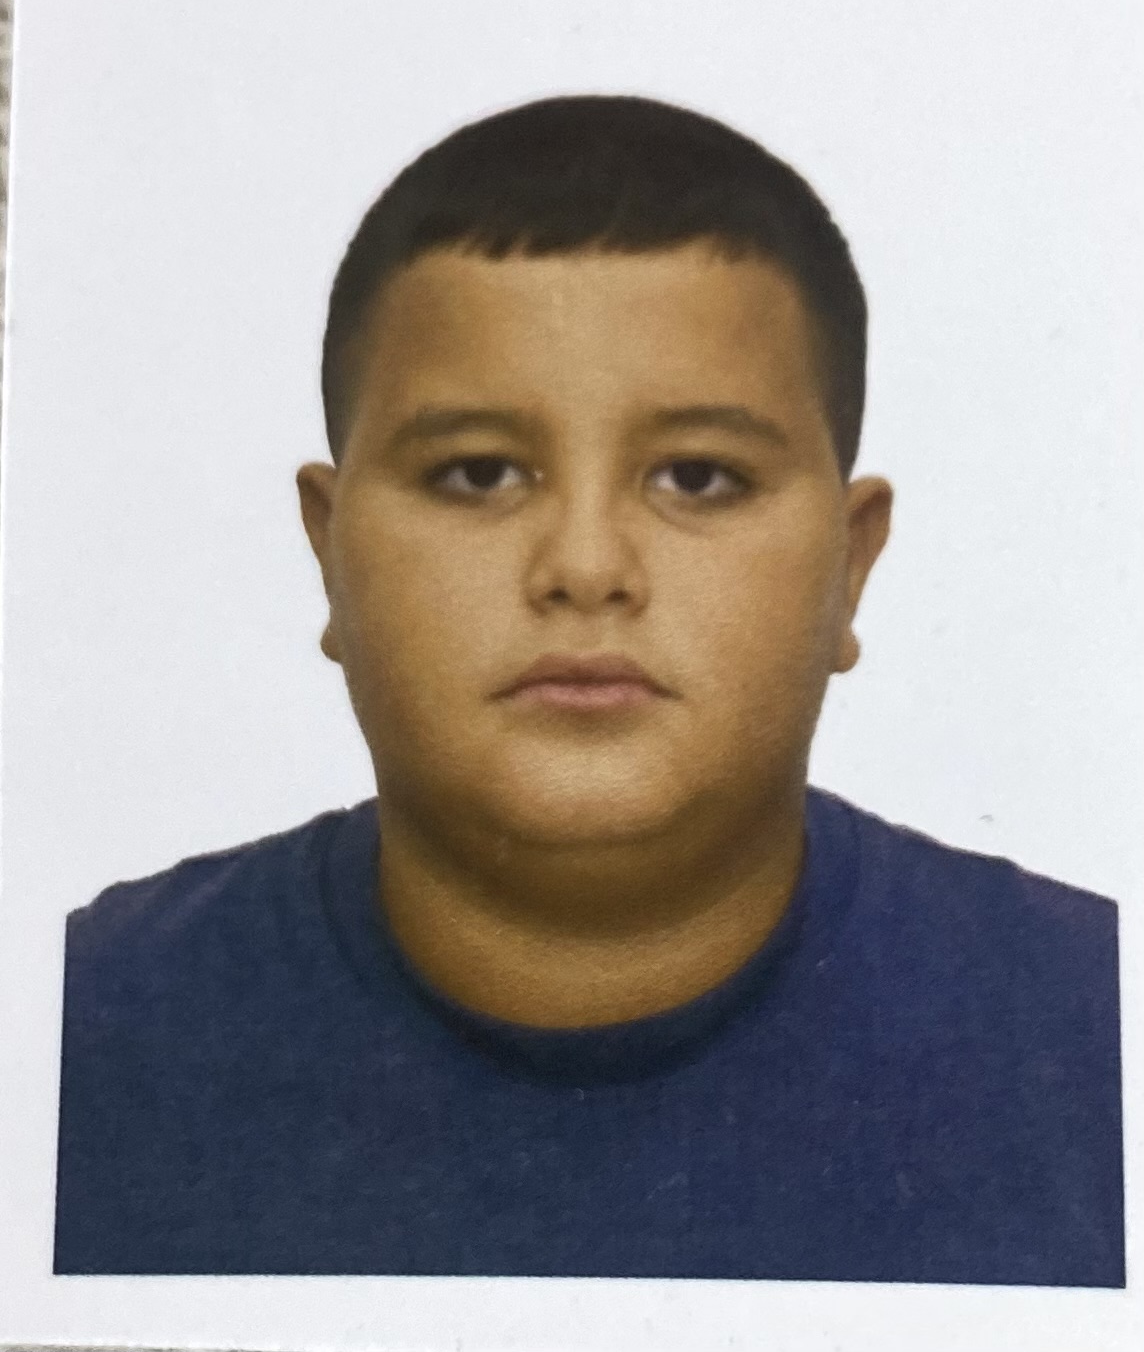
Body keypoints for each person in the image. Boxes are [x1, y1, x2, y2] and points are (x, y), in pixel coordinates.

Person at [53, 95, 1123, 1283]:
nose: (584, 567)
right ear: (329, 550)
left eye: (698, 477)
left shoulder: (1094, 1033)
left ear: (850, 565)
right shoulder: (69, 1032)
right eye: (478, 473)